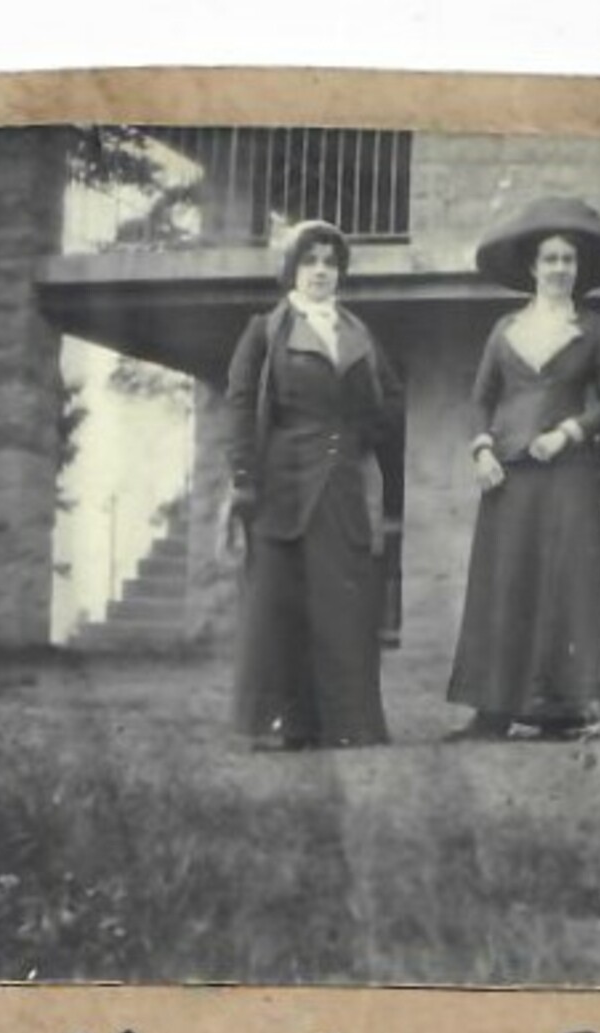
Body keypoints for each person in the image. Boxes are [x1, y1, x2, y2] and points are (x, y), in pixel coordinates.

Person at [445, 197, 600, 740]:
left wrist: (570, 432)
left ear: (578, 269)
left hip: (568, 473)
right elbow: (480, 398)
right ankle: (492, 709)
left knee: (565, 583)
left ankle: (561, 711)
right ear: (533, 267)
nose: (559, 269)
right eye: (550, 259)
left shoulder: (594, 328)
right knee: (506, 582)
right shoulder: (506, 328)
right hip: (509, 474)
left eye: (568, 260)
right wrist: (482, 450)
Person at [222, 220, 405, 749]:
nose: (321, 271)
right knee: (276, 605)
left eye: (330, 262)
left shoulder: (358, 334)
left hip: (342, 483)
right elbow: (240, 404)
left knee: (341, 604)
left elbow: (391, 400)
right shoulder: (266, 330)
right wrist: (243, 478)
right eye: (310, 261)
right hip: (281, 483)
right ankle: (275, 723)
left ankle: (347, 725)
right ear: (292, 269)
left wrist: (363, 442)